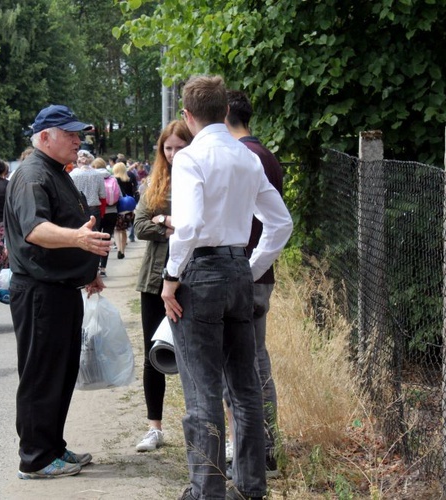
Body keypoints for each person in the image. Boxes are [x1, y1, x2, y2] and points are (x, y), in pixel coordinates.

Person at [161, 75, 292, 500]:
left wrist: (170, 276)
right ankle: (251, 488)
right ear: (225, 111)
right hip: (238, 270)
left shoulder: (190, 158)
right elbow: (281, 223)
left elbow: (190, 225)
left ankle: (207, 492)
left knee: (203, 391)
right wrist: (250, 268)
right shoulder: (248, 158)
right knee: (245, 388)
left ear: (188, 115)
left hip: (199, 274)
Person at [4, 104, 112, 479]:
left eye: (78, 134)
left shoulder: (53, 171)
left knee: (60, 373)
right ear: (45, 137)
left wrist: (86, 271)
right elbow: (36, 230)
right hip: (39, 292)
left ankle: (51, 447)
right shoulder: (33, 174)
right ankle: (34, 457)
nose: (78, 140)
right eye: (70, 134)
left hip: (60, 288)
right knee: (41, 374)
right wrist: (80, 240)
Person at [222, 90, 285, 479]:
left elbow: (274, 222)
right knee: (252, 364)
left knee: (248, 367)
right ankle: (262, 450)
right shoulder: (262, 153)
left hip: (247, 276)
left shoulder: (247, 156)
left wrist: (249, 268)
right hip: (253, 274)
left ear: (226, 113)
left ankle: (260, 454)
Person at [132, 120, 193, 452]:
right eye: (167, 148)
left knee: (192, 356)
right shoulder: (156, 182)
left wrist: (167, 222)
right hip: (155, 279)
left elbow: (200, 225)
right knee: (152, 355)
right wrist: (167, 224)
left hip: (191, 280)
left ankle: (200, 426)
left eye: (179, 148)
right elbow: (140, 224)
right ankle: (154, 427)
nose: (173, 154)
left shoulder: (202, 178)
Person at [92, 157, 117, 277]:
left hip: (98, 211)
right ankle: (103, 267)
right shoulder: (112, 178)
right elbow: (120, 195)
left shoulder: (93, 178)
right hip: (112, 212)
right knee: (106, 240)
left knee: (96, 239)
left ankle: (95, 265)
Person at [69, 149, 105, 231]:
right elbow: (102, 195)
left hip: (78, 209)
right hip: (94, 209)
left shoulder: (72, 175)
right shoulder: (98, 175)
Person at [112, 162, 135, 259]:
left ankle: (119, 250)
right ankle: (123, 250)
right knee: (124, 230)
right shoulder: (128, 180)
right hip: (128, 208)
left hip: (119, 208)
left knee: (117, 230)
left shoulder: (114, 180)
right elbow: (132, 194)